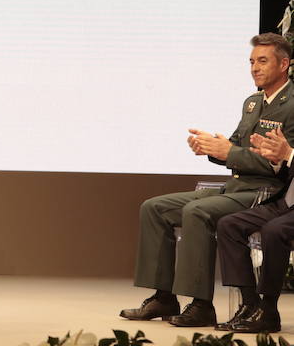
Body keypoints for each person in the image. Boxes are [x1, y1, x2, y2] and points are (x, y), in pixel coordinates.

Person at [120, 33, 294, 327]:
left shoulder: (291, 104)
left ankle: (201, 305)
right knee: (154, 207)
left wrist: (230, 152)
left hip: (265, 192)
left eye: (262, 61)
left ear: (284, 64)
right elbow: (236, 147)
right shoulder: (252, 103)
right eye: (251, 62)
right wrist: (213, 148)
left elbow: (281, 164)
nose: (254, 68)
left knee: (197, 211)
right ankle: (164, 297)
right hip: (235, 187)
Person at [215, 125, 294, 333]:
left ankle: (269, 310)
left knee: (274, 231)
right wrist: (277, 161)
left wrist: (289, 154)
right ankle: (250, 304)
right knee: (229, 225)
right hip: (287, 202)